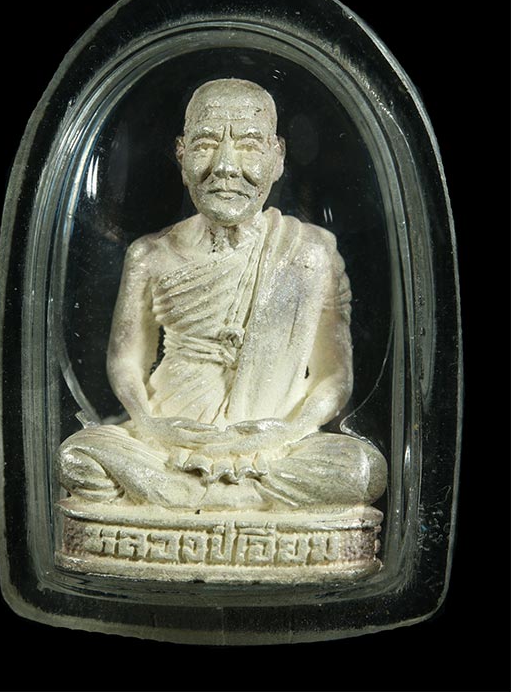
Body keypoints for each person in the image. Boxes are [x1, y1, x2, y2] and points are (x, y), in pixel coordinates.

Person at [58, 79, 387, 511]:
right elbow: (126, 361)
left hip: (274, 445)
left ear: (277, 157)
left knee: (361, 470)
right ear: (181, 155)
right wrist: (152, 425)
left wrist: (288, 431)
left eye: (248, 145)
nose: (226, 166)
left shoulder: (310, 253)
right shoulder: (150, 255)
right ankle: (238, 500)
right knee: (78, 457)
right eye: (206, 145)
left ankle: (195, 500)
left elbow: (334, 376)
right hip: (170, 441)